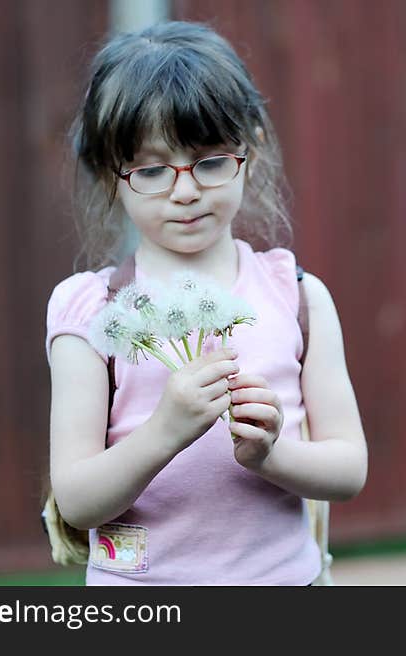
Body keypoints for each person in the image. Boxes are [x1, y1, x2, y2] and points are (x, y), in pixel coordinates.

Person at [45, 21, 367, 585]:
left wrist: (270, 455)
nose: (186, 190)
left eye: (212, 161)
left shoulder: (296, 296)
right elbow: (77, 500)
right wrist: (165, 430)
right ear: (108, 176)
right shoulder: (90, 311)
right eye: (150, 170)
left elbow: (348, 468)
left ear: (253, 150)